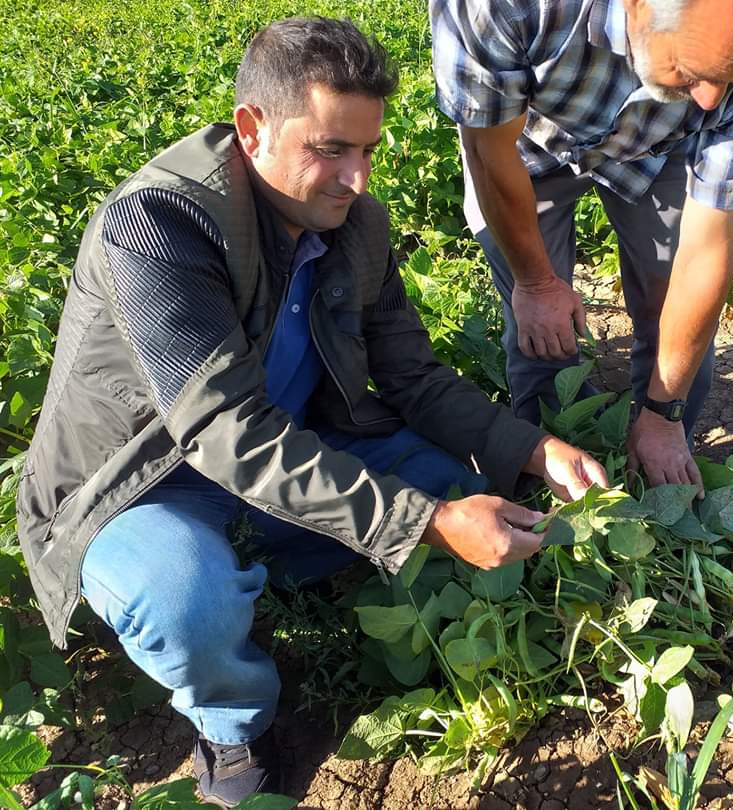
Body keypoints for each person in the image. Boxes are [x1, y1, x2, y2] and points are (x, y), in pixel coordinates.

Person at [16, 17, 607, 807]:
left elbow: (412, 377)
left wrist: (533, 449)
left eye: (367, 150)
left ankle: (293, 565)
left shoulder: (354, 223)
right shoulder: (158, 226)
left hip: (298, 443)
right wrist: (422, 523)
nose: (355, 178)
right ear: (252, 129)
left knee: (449, 482)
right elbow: (225, 432)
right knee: (186, 596)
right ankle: (234, 725)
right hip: (142, 484)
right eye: (330, 149)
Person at [431, 0, 733, 494]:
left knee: (668, 295)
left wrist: (664, 412)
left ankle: (658, 462)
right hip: (521, 139)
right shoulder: (506, 8)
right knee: (540, 330)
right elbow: (490, 152)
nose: (712, 100)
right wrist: (538, 283)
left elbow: (704, 253)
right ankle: (551, 471)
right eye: (693, 70)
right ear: (636, 8)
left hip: (662, 144)